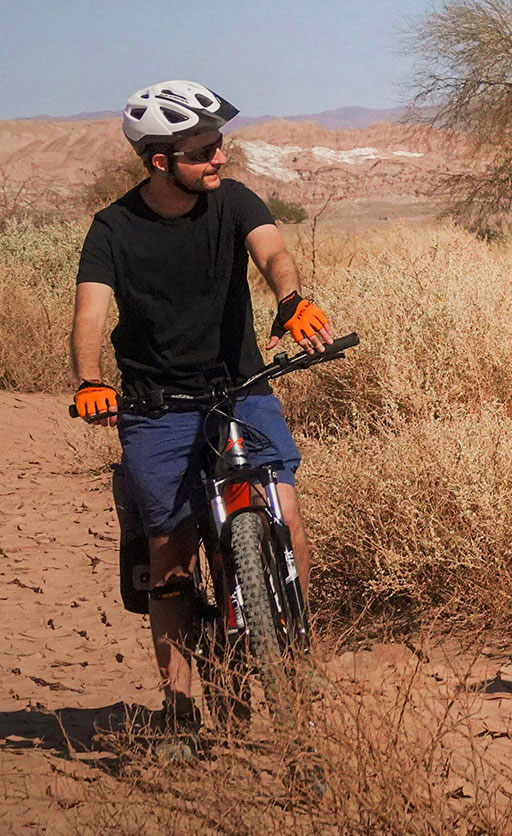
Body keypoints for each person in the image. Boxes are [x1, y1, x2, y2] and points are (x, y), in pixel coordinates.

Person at [70, 80, 333, 758]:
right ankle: (181, 705)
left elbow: (272, 250)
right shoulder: (114, 229)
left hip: (241, 389)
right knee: (171, 559)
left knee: (288, 516)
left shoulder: (233, 200)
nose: (218, 159)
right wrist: (90, 380)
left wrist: (291, 298)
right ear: (160, 161)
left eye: (218, 146)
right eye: (203, 151)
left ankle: (295, 657)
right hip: (157, 408)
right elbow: (90, 311)